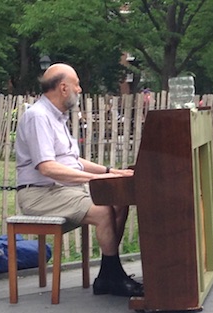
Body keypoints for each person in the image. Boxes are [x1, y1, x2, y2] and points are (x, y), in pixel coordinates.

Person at [14, 63, 142, 297]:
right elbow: (47, 167)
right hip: (40, 194)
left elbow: (73, 161)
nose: (80, 90)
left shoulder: (57, 117)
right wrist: (94, 178)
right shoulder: (38, 117)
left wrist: (111, 172)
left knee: (119, 200)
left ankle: (107, 274)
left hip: (64, 191)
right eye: (77, 84)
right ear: (63, 88)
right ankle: (112, 277)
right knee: (104, 211)